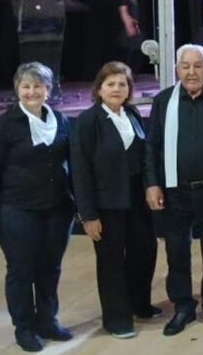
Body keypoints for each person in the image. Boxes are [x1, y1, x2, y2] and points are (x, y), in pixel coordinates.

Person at [0, 63, 74, 352]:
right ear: (18, 89)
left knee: (50, 268)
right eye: (26, 86)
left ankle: (47, 320)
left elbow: (72, 165)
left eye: (38, 86)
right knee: (21, 271)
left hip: (58, 210)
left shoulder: (61, 120)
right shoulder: (2, 126)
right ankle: (24, 328)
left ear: (48, 90)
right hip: (17, 211)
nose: (32, 92)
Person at [144, 44, 203, 336]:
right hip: (174, 192)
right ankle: (183, 306)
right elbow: (151, 146)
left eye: (197, 66)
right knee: (176, 252)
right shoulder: (163, 101)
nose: (191, 72)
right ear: (177, 69)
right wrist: (152, 183)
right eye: (185, 66)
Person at [70, 62, 159, 339]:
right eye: (110, 84)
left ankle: (139, 304)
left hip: (136, 199)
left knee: (144, 250)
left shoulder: (132, 113)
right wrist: (88, 215)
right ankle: (116, 319)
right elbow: (80, 171)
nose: (117, 89)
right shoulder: (87, 121)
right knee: (111, 263)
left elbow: (144, 156)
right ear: (99, 89)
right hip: (106, 204)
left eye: (122, 84)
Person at [117, 0, 145, 73]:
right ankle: (124, 73)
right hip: (128, 27)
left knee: (136, 50)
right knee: (129, 51)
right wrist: (129, 26)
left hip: (135, 26)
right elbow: (123, 11)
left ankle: (130, 73)